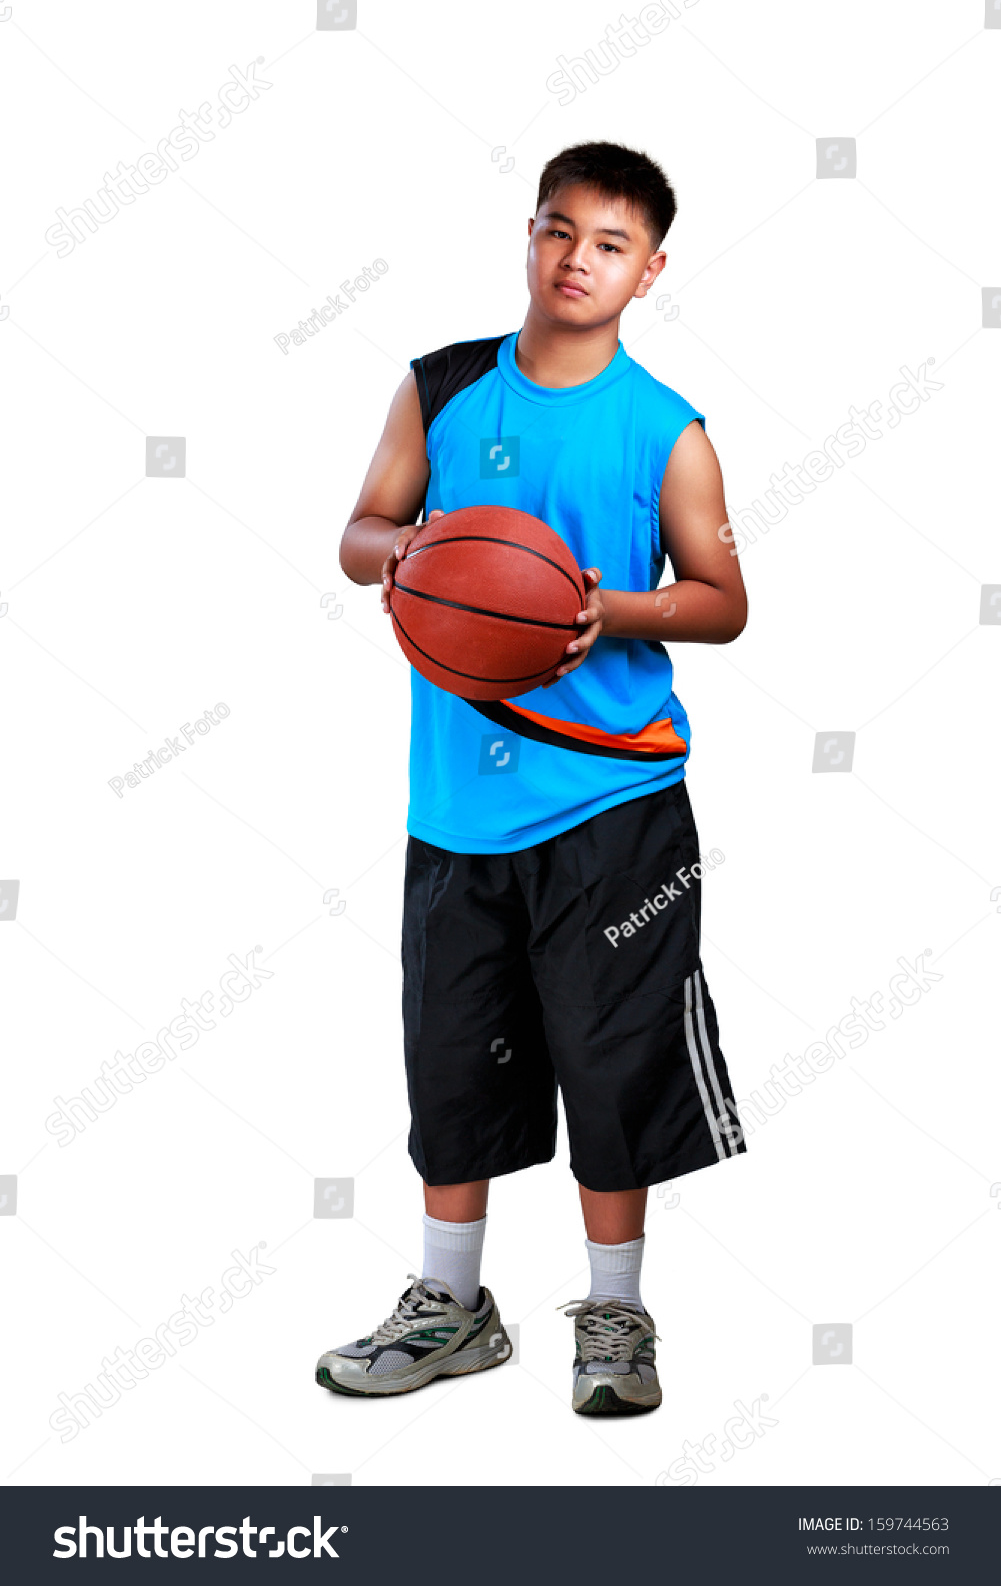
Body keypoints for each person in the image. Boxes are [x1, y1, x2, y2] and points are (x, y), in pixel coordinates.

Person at [316, 140, 748, 1415]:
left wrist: (597, 608)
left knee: (614, 1064)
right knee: (451, 1058)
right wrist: (425, 552)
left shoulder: (667, 432)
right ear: (529, 232)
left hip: (614, 808)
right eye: (558, 230)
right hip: (456, 807)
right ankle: (452, 1306)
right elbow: (357, 535)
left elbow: (722, 604)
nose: (576, 259)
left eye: (608, 244)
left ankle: (613, 1317)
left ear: (648, 270)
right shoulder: (440, 388)